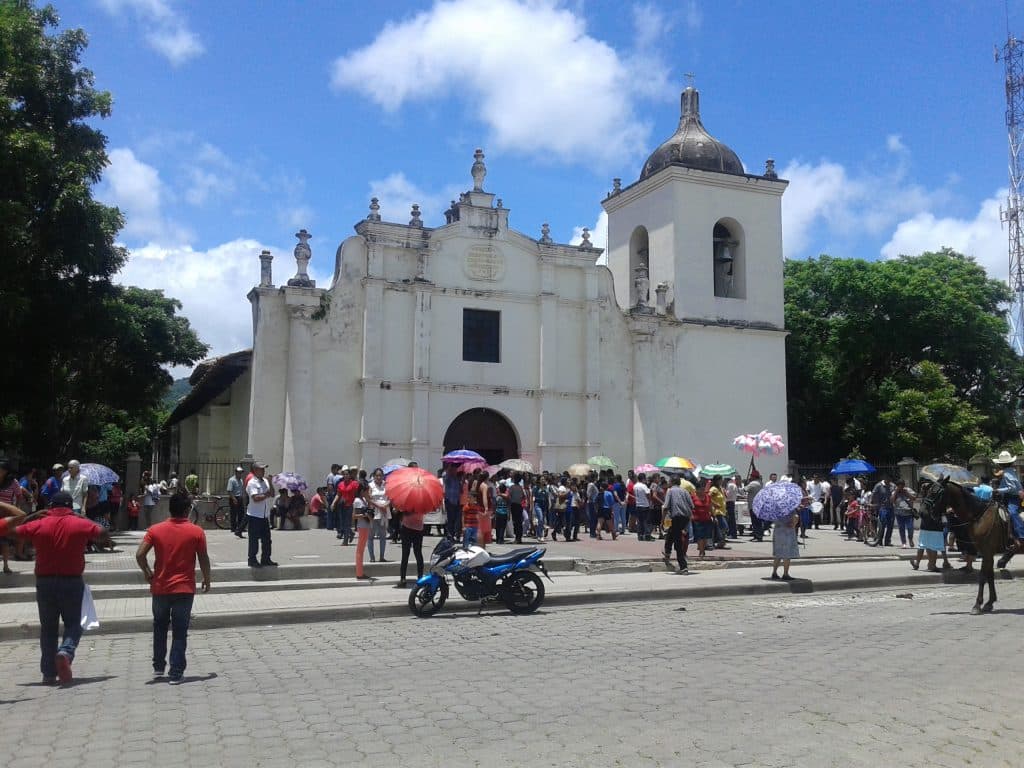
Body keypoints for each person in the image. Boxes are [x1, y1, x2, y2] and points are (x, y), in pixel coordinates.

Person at [2, 492, 111, 684]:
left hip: (44, 583)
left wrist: (33, 516)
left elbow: (10, 531)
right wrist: (82, 516)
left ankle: (49, 673)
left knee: (48, 628)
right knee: (74, 624)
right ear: (70, 507)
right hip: (71, 581)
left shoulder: (39, 524)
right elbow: (103, 534)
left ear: (51, 506)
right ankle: (66, 651)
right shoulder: (79, 523)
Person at [135, 491, 211, 684]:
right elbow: (203, 558)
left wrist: (147, 572)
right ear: (187, 510)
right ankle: (176, 672)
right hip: (184, 588)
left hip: (160, 586)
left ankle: (158, 667)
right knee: (179, 630)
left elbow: (139, 554)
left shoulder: (155, 530)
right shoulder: (196, 531)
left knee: (159, 626)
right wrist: (207, 578)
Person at [910, 487, 950, 573]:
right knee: (934, 546)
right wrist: (945, 523)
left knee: (922, 545)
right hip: (936, 527)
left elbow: (920, 513)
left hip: (924, 526)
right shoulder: (940, 500)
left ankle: (917, 563)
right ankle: (932, 565)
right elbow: (943, 515)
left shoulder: (925, 500)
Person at [245, 462, 276, 568]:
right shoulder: (252, 483)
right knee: (254, 540)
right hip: (254, 515)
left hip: (264, 515)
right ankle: (252, 560)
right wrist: (266, 494)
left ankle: (266, 558)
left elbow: (272, 494)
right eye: (261, 469)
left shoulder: (266, 481)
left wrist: (271, 483)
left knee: (267, 539)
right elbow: (255, 498)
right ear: (255, 470)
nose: (263, 471)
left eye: (264, 469)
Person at [0, 459, 29, 573]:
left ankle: (6, 565)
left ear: (6, 471)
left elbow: (19, 496)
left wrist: (16, 509)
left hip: (7, 512)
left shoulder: (13, 482)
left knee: (4, 540)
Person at [662, 476, 693, 574]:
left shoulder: (670, 491)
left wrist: (662, 520)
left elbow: (666, 507)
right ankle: (667, 552)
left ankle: (683, 566)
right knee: (671, 533)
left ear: (671, 482)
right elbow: (692, 505)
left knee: (678, 542)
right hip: (685, 518)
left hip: (676, 517)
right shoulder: (685, 491)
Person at [396, 502, 425, 589]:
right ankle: (420, 577)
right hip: (418, 529)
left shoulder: (407, 502)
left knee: (405, 554)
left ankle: (403, 579)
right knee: (418, 553)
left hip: (407, 528)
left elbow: (401, 512)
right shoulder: (423, 503)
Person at [771, 501, 802, 580]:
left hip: (777, 530)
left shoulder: (775, 508)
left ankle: (774, 572)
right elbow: (796, 517)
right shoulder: (790, 507)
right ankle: (785, 574)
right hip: (787, 531)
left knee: (778, 553)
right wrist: (794, 524)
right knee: (787, 554)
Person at [367, 468, 390, 562]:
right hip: (374, 512)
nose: (379, 477)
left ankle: (382, 556)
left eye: (380, 475)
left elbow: (390, 498)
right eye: (377, 475)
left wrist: (385, 505)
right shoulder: (370, 485)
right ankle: (372, 557)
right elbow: (369, 498)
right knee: (371, 536)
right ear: (374, 476)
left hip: (384, 512)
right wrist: (379, 506)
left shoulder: (386, 485)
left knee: (383, 536)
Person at [334, 467, 360, 545]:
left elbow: (359, 493)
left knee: (347, 523)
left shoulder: (354, 483)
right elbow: (338, 495)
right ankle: (351, 533)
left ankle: (345, 541)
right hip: (342, 505)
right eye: (344, 474)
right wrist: (333, 503)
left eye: (347, 474)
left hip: (351, 505)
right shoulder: (340, 484)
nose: (346, 476)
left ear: (350, 475)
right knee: (343, 523)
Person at [353, 481, 373, 580]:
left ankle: (360, 572)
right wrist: (364, 515)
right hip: (362, 526)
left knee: (361, 549)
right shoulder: (357, 501)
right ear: (362, 491)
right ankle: (359, 573)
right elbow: (354, 516)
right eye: (366, 491)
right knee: (360, 550)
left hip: (365, 525)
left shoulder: (364, 500)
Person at [691, 481, 714, 558]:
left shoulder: (708, 497)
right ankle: (701, 552)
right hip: (697, 519)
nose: (702, 491)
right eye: (700, 489)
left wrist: (714, 516)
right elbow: (690, 507)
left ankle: (703, 550)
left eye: (703, 489)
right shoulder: (693, 497)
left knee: (705, 536)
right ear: (696, 490)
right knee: (700, 536)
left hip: (707, 519)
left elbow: (710, 507)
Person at [871, 475, 894, 547]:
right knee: (882, 524)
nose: (889, 481)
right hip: (882, 507)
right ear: (885, 478)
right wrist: (875, 504)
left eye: (890, 479)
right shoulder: (878, 485)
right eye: (888, 479)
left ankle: (887, 541)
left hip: (891, 507)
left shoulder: (893, 486)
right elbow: (873, 495)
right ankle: (880, 540)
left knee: (890, 525)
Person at [892, 479, 917, 549]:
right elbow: (891, 500)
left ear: (904, 485)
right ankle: (903, 542)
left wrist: (906, 493)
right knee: (901, 528)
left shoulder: (908, 490)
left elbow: (914, 498)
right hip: (899, 513)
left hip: (908, 512)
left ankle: (910, 539)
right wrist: (896, 492)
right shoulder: (895, 491)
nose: (901, 487)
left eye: (902, 486)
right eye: (899, 486)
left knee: (910, 528)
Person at [442, 464, 463, 541]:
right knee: (450, 519)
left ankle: (454, 534)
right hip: (449, 500)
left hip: (457, 501)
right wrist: (449, 466)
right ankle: (450, 535)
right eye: (454, 469)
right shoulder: (447, 476)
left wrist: (462, 481)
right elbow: (445, 475)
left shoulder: (457, 479)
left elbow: (461, 490)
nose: (455, 471)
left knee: (457, 519)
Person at [709, 475, 730, 549]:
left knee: (721, 528)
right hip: (717, 512)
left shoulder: (720, 489)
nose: (722, 481)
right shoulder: (713, 489)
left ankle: (721, 542)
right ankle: (720, 541)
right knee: (724, 527)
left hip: (723, 511)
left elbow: (724, 499)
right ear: (717, 480)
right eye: (721, 480)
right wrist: (714, 504)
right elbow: (708, 497)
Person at [226, 466, 246, 538]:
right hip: (234, 497)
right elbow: (229, 491)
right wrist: (234, 499)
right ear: (236, 472)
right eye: (239, 473)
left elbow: (241, 490)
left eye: (241, 473)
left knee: (241, 513)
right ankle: (233, 528)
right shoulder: (232, 480)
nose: (240, 474)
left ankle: (240, 528)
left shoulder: (241, 480)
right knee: (233, 513)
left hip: (240, 498)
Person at [633, 473, 652, 541]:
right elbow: (648, 494)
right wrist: (649, 501)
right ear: (643, 479)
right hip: (645, 505)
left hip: (638, 504)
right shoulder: (644, 486)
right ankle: (647, 535)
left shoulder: (635, 486)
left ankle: (640, 535)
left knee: (639, 521)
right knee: (646, 521)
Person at [746, 472, 765, 541]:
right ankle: (758, 535)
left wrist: (747, 483)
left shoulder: (753, 483)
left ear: (754, 477)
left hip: (753, 505)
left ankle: (757, 536)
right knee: (758, 521)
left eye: (751, 476)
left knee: (755, 521)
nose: (750, 477)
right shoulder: (760, 483)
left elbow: (745, 490)